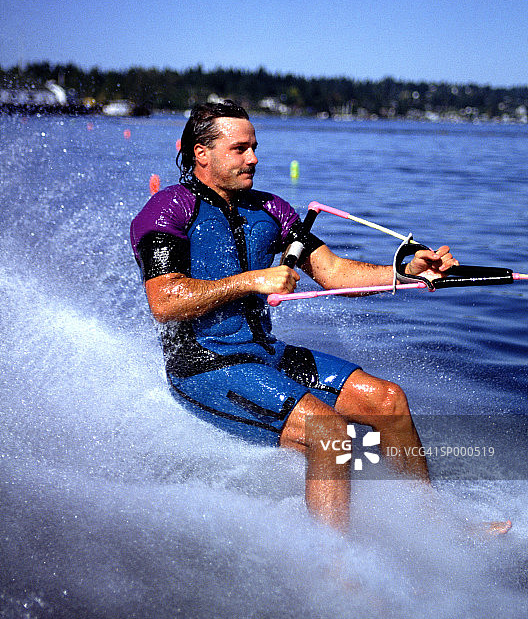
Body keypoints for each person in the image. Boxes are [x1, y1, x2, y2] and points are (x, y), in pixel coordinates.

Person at [130, 100, 511, 534]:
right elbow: (165, 301)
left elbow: (331, 271)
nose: (254, 158)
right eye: (239, 149)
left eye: (254, 147)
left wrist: (404, 272)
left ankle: (436, 529)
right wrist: (252, 280)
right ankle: (337, 577)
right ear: (202, 153)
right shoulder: (168, 211)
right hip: (203, 365)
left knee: (387, 402)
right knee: (331, 431)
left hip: (263, 354)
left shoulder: (271, 210)